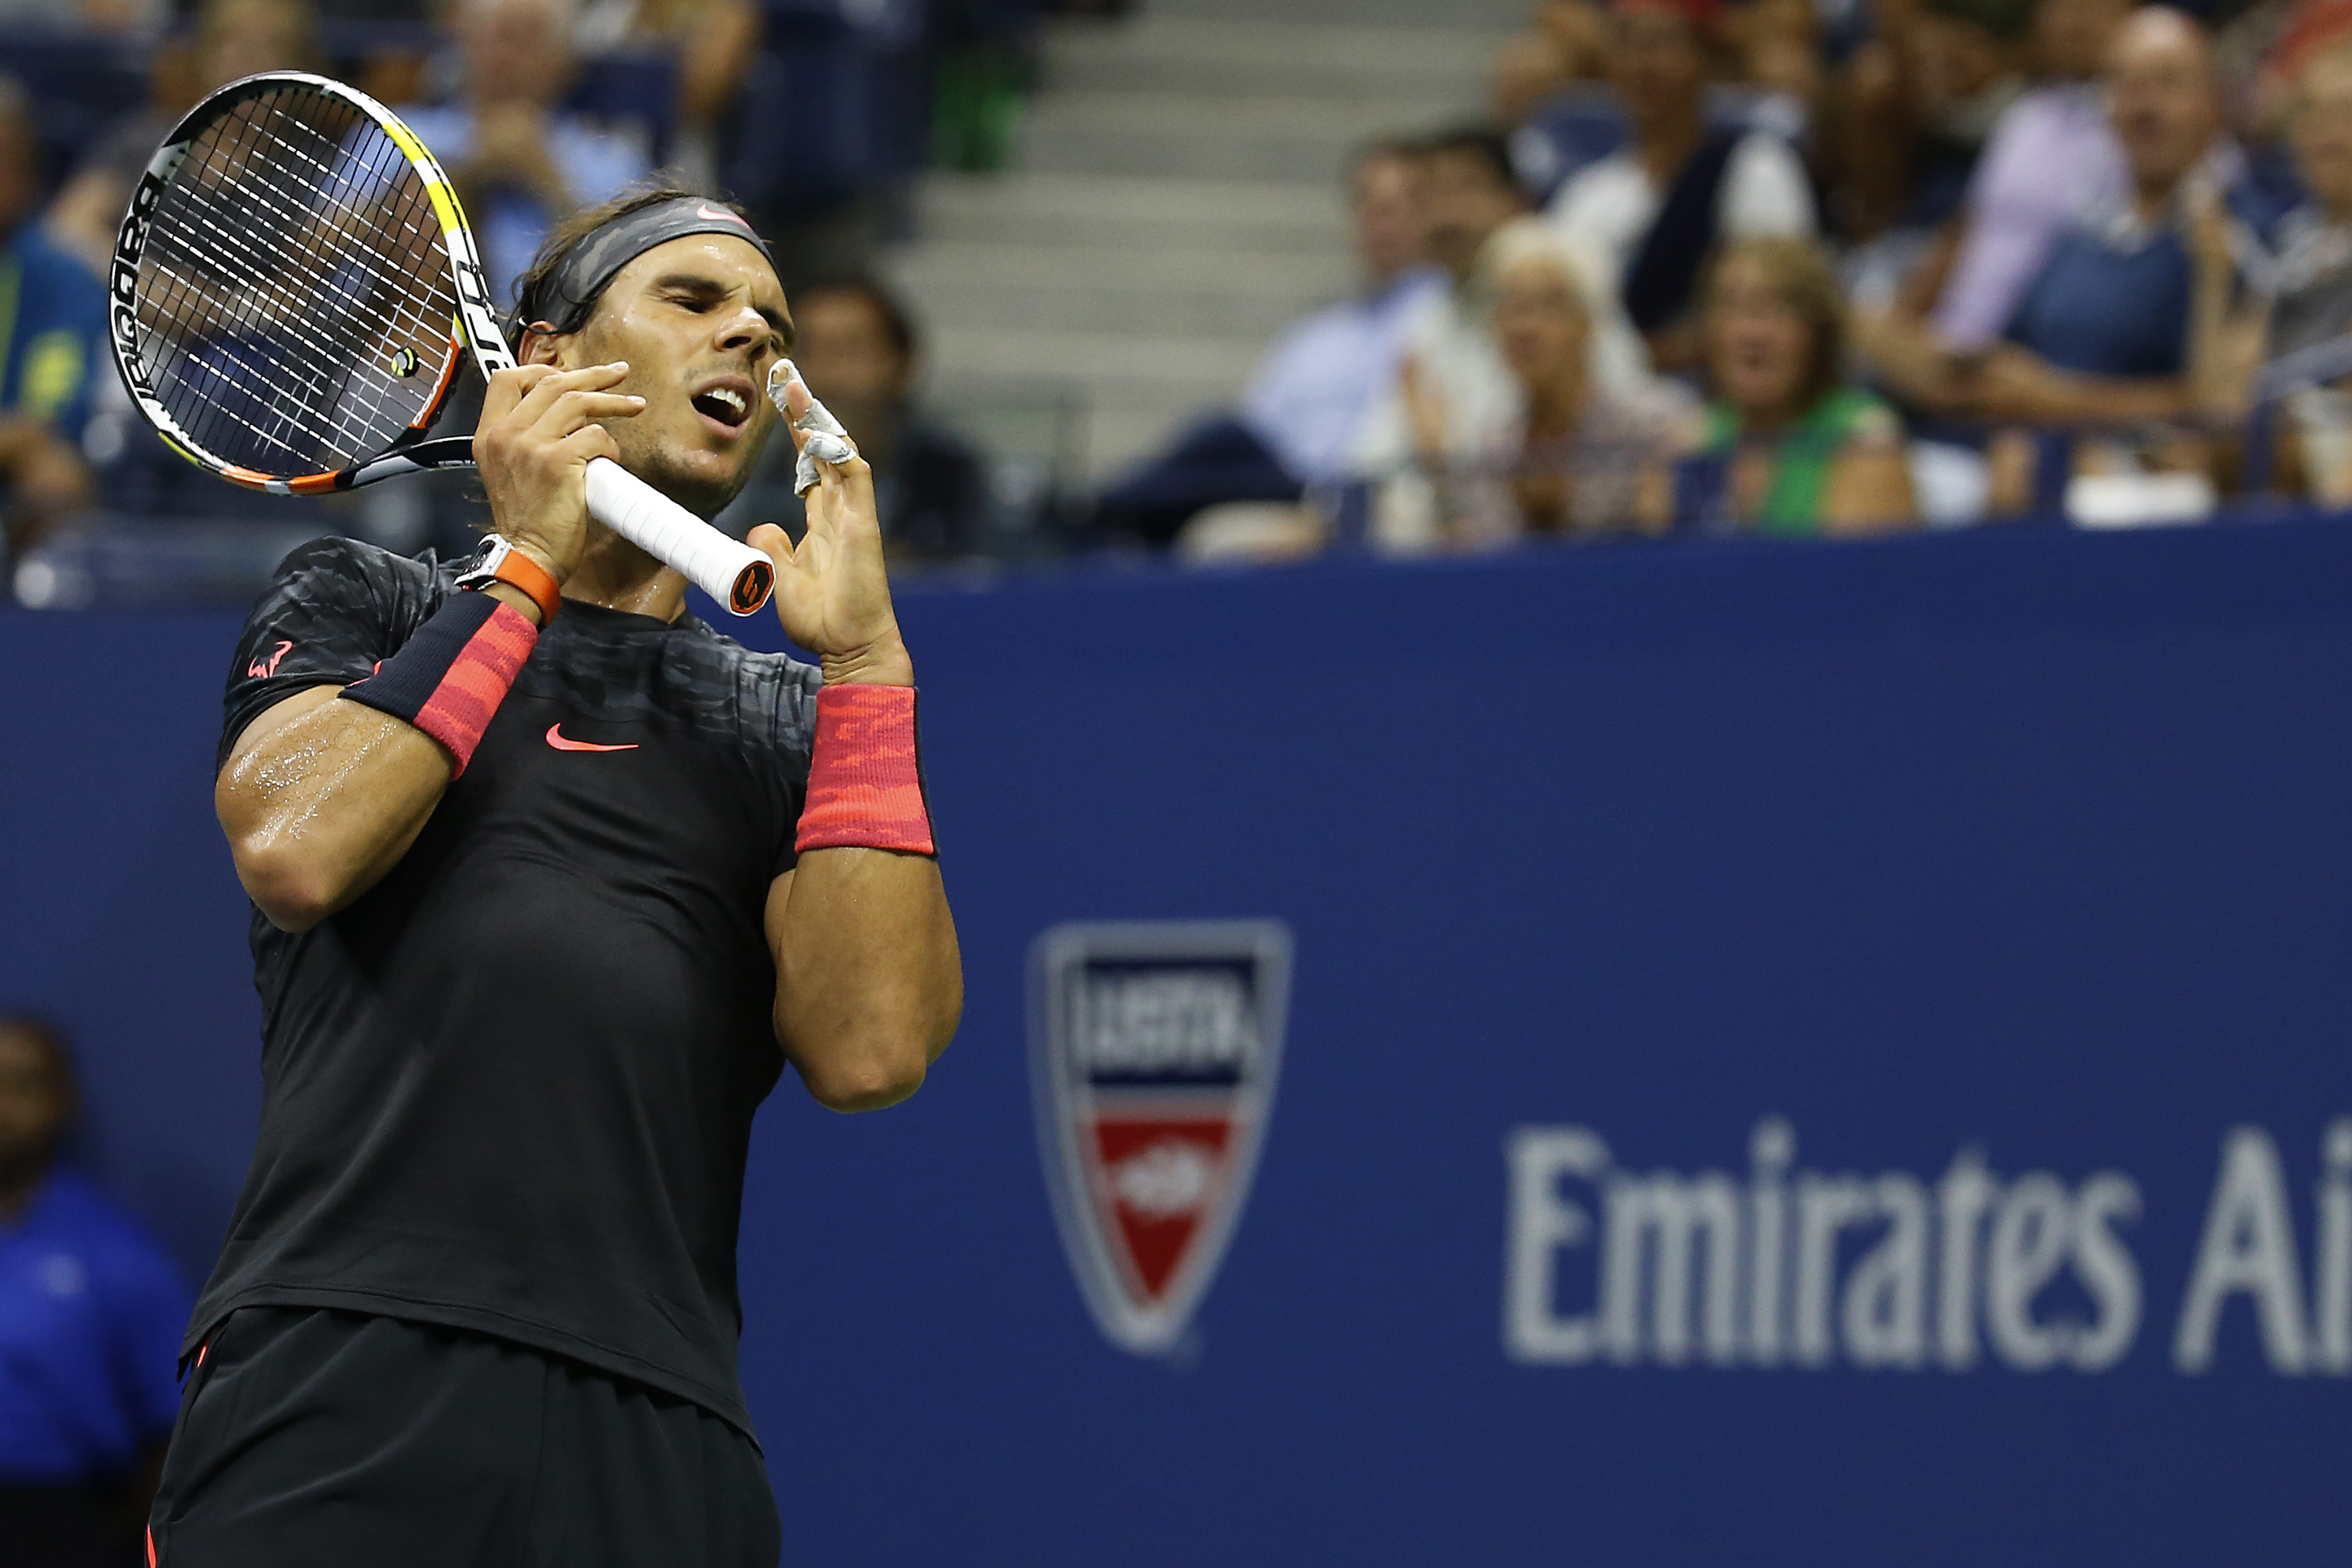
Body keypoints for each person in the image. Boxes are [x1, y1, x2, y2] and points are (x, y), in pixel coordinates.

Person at [146, 187, 963, 1566]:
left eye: (768, 333)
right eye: (694, 303)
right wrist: (524, 560)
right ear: (547, 359)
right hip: (340, 1375)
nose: (748, 348)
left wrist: (867, 672)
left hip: (656, 1419)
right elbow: (298, 847)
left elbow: (873, 1048)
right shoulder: (365, 604)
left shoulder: (783, 719)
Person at [1092, 141, 1443, 547]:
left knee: (1214, 446)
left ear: (1430, 217)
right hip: (1276, 473)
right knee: (1216, 445)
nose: (1381, 226)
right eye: (1368, 208)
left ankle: (1096, 507)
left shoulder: (1436, 316)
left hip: (1339, 489)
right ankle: (1102, 517)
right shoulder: (1317, 333)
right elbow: (1255, 426)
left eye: (1395, 210)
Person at [1372, 219, 1695, 548]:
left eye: (1547, 305)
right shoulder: (1493, 439)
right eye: (1509, 307)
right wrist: (1440, 461)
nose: (1523, 327)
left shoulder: (1653, 424)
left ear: (1587, 323)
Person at [0, 1017, 190, 1568]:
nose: (2, 1103)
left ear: (65, 1101)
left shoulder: (120, 1252)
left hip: (60, 1524)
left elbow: (172, 1427)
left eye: (24, 1082)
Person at [1545, 0, 1816, 367]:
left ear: (1705, 60)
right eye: (1630, 46)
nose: (1646, 65)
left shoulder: (1754, 165)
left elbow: (1787, 298)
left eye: (1665, 45)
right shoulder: (1587, 195)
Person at [399, 0, 651, 310]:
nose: (508, 55)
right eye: (498, 35)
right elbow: (325, 254)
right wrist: (457, 177)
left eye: (530, 39)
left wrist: (547, 181)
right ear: (463, 42)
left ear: (566, 61)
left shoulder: (611, 158)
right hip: (408, 328)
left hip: (554, 339)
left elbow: (636, 288)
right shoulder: (397, 131)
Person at [720, 276, 991, 562]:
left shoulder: (951, 474)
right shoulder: (753, 465)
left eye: (850, 349)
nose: (829, 372)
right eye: (813, 350)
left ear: (901, 362)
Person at [1684, 237, 1917, 533]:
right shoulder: (1692, 442)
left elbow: (1854, 574)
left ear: (1819, 334)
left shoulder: (1864, 441)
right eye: (1733, 308)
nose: (1753, 334)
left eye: (1779, 311)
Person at [0, 78, 101, 562]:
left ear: (26, 173)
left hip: (11, 474)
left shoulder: (63, 276)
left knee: (56, 476)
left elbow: (49, 414)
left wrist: (20, 440)